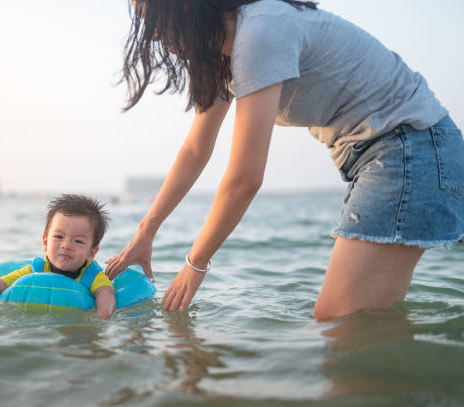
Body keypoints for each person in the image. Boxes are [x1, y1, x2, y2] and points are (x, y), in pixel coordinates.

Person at [104, 0, 464, 320]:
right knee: (359, 326)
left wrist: (195, 264)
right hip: (395, 153)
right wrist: (145, 232)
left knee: (341, 323)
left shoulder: (261, 29)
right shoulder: (220, 58)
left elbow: (245, 178)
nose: (151, 37)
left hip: (409, 147)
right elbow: (195, 150)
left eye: (152, 19)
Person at [0, 194, 116, 319]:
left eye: (78, 241)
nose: (66, 245)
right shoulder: (35, 269)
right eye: (59, 237)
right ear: (45, 242)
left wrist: (100, 317)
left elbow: (106, 293)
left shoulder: (92, 274)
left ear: (91, 252)